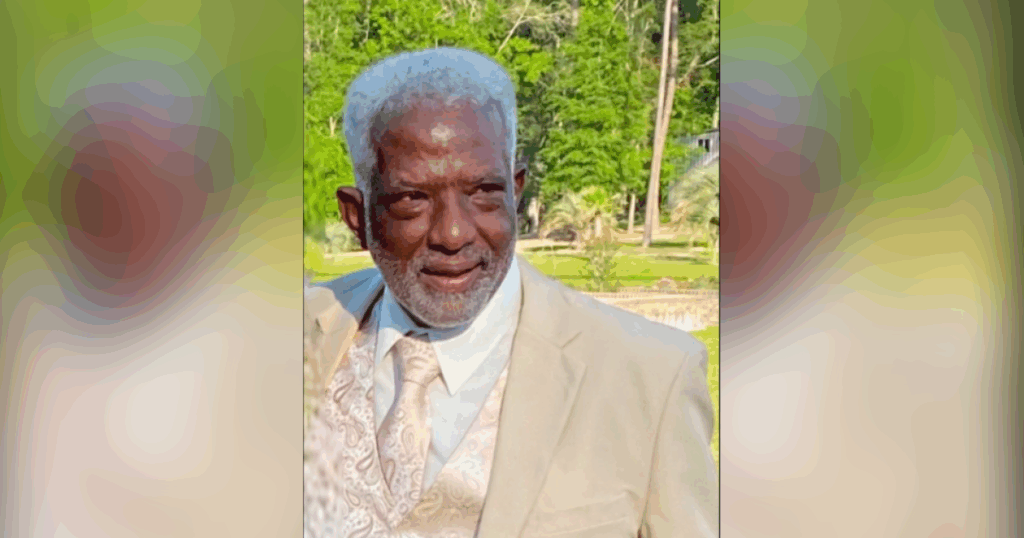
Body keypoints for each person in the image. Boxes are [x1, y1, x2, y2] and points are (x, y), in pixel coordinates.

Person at [303, 47, 718, 538]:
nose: (453, 234)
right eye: (412, 199)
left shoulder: (650, 378)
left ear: (515, 190)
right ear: (357, 218)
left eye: (483, 192)